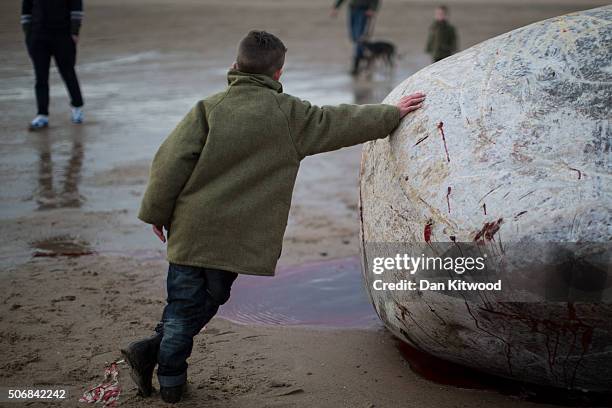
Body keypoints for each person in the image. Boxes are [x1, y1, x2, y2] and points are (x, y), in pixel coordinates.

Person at [121, 30, 425, 404]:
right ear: (278, 73)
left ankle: (152, 353)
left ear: (235, 66)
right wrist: (392, 114)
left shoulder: (208, 108)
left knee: (185, 304)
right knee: (206, 300)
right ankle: (170, 383)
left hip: (190, 228)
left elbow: (169, 163)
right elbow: (341, 121)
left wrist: (156, 211)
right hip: (235, 237)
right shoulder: (290, 115)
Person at [21, 0, 85, 130]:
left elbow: (76, 7)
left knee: (68, 73)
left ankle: (77, 108)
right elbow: (26, 11)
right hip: (38, 36)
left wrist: (74, 31)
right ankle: (42, 115)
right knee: (41, 77)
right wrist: (28, 35)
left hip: (63, 35)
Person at [330, 0, 380, 75]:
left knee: (358, 36)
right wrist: (336, 7)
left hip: (364, 10)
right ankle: (366, 58)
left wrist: (372, 9)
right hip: (352, 9)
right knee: (353, 37)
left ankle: (356, 66)